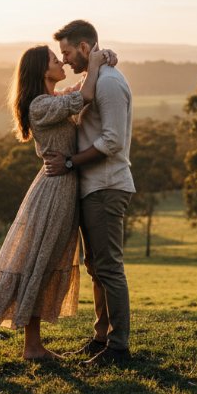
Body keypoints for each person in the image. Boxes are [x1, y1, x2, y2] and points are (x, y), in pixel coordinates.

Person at [0, 43, 114, 361]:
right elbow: (83, 96)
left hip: (61, 190)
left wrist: (104, 59)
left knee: (40, 267)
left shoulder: (51, 100)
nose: (61, 63)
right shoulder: (40, 105)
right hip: (53, 193)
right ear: (43, 71)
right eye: (56, 60)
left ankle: (32, 346)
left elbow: (80, 87)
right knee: (31, 266)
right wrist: (95, 62)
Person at [43, 19, 135, 367]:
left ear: (85, 48)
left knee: (109, 267)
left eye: (67, 52)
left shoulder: (109, 83)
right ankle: (102, 338)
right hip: (93, 187)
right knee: (96, 267)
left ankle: (118, 347)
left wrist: (69, 163)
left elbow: (112, 141)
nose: (64, 60)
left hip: (107, 186)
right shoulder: (94, 80)